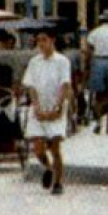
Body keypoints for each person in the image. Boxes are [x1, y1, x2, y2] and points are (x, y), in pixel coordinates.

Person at [21, 27, 71, 195]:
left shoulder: (62, 61)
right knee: (39, 149)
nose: (41, 44)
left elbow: (65, 85)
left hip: (56, 107)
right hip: (39, 108)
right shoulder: (34, 62)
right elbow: (31, 87)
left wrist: (57, 108)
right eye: (38, 40)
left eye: (44, 40)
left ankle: (58, 182)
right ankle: (48, 168)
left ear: (52, 40)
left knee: (55, 148)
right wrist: (37, 108)